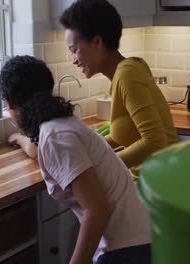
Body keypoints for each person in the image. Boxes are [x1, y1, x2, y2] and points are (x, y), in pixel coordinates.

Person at [0, 55, 152, 264]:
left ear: (10, 105)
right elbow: (38, 150)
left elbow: (97, 209)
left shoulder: (54, 136)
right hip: (140, 236)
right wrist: (19, 139)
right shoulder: (59, 125)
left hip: (128, 249)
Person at [60, 0, 178, 177]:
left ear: (98, 41)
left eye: (74, 50)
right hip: (151, 179)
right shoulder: (128, 69)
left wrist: (101, 168)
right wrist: (87, 152)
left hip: (158, 184)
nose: (73, 59)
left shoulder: (127, 75)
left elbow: (154, 142)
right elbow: (120, 136)